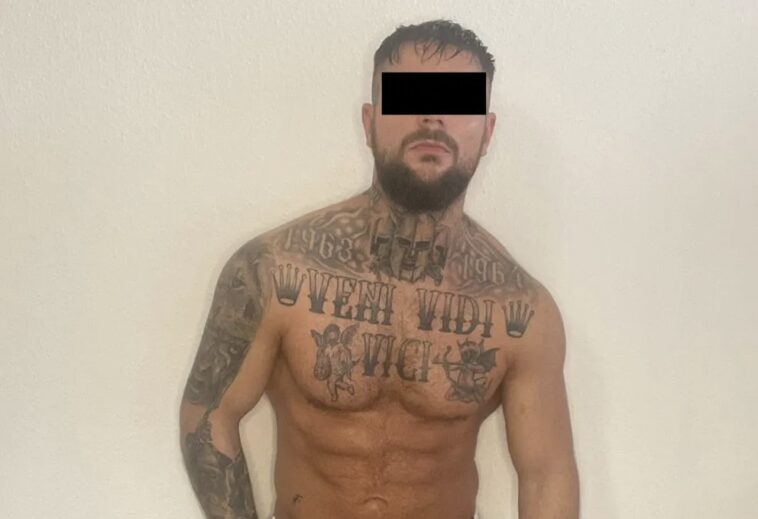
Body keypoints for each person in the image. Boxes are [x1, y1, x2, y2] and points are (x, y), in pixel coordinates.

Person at [179, 18, 579, 519]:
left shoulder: (520, 310)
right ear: (369, 122)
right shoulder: (275, 270)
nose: (432, 116)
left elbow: (546, 474)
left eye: (458, 102)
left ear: (487, 132)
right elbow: (209, 416)